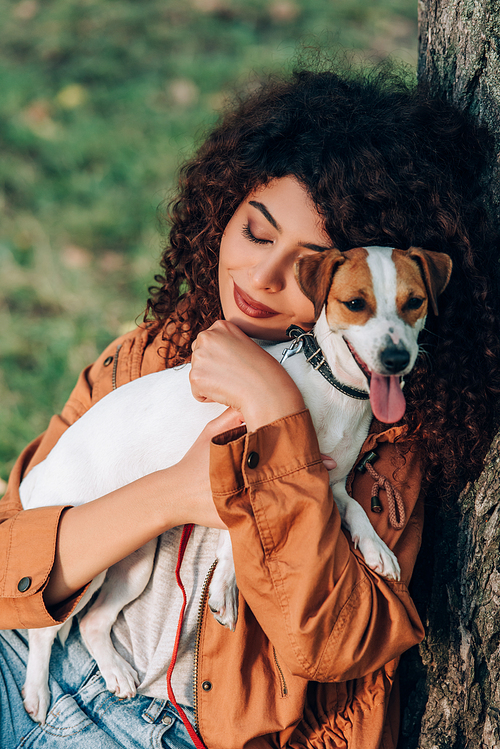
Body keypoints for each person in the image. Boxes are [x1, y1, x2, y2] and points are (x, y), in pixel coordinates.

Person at [0, 64, 499, 749]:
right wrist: (172, 494)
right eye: (257, 232)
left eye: (307, 263)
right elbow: (9, 559)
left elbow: (330, 639)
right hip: (24, 660)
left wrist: (275, 408)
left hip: (157, 730)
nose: (262, 279)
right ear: (222, 211)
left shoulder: (385, 454)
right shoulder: (149, 356)